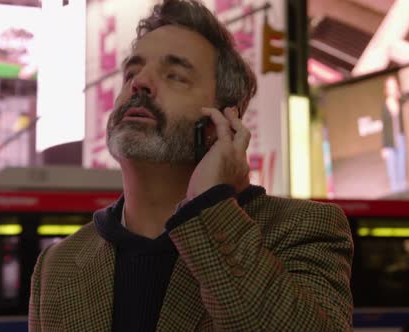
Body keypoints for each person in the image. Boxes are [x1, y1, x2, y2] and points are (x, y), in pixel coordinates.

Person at [29, 0, 353, 331]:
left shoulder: (302, 228)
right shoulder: (58, 265)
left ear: (222, 122)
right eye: (131, 72)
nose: (139, 83)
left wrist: (210, 206)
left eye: (175, 76)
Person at [381, 76, 409, 193]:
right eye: (390, 86)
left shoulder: (399, 100)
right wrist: (383, 148)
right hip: (390, 143)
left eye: (394, 85)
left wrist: (399, 94)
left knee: (402, 172)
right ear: (386, 89)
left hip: (400, 139)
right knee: (393, 175)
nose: (392, 88)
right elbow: (384, 128)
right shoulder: (384, 106)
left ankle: (403, 196)